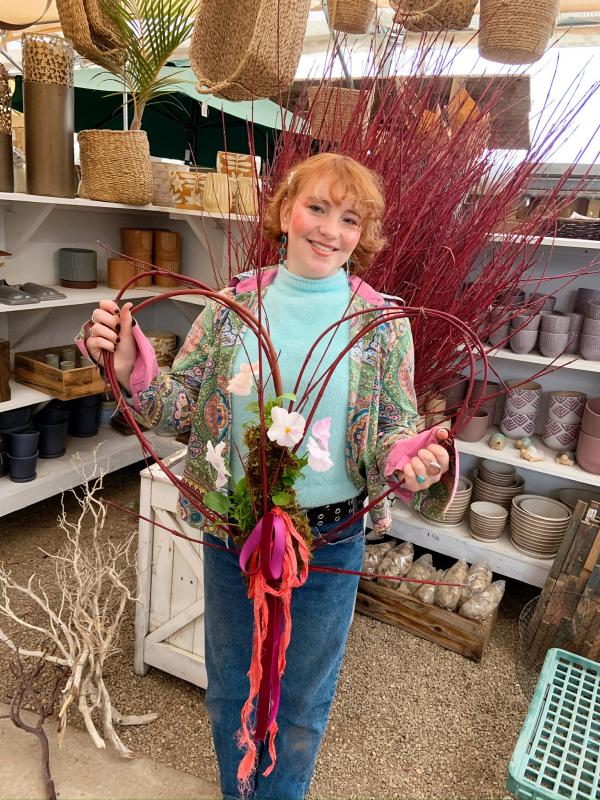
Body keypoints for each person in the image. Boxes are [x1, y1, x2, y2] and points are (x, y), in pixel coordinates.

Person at [78, 152, 452, 800]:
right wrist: (127, 357)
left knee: (302, 702)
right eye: (316, 208)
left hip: (330, 542)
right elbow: (181, 409)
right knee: (231, 691)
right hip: (235, 536)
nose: (330, 230)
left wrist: (411, 460)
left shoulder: (382, 325)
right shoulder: (231, 308)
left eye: (350, 219)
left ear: (363, 234)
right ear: (284, 211)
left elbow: (394, 432)